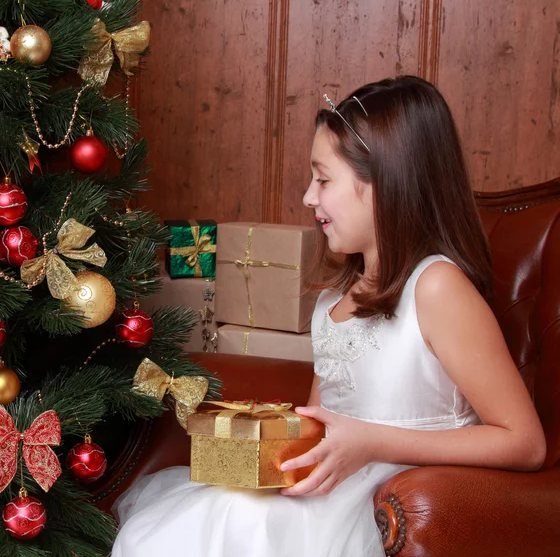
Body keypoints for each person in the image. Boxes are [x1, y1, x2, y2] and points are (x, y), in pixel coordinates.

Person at [111, 76, 546, 557]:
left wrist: (371, 442)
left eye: (323, 179)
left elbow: (525, 443)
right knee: (189, 521)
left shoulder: (437, 287)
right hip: (333, 490)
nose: (307, 198)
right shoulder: (332, 302)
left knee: (245, 524)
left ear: (386, 183)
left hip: (386, 495)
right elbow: (323, 426)